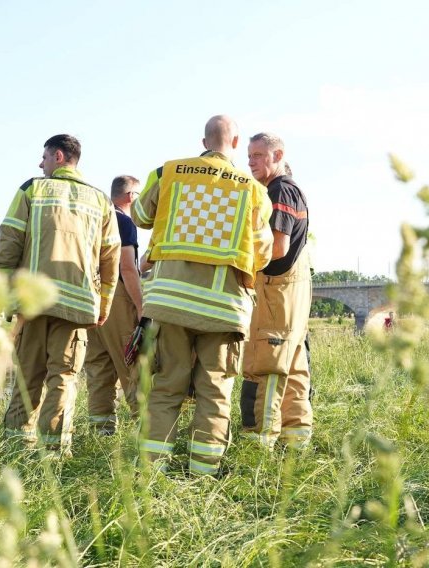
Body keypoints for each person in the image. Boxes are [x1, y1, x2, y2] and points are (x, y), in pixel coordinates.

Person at [131, 115, 273, 475]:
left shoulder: (169, 172)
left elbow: (140, 215)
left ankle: (153, 472)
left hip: (170, 302)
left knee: (165, 388)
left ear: (204, 141)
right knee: (215, 391)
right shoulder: (253, 190)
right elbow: (263, 251)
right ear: (236, 143)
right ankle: (203, 475)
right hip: (223, 308)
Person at [0, 134, 120, 453]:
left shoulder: (32, 189)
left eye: (45, 157)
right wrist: (103, 305)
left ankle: (16, 449)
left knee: (27, 377)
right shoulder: (101, 201)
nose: (41, 163)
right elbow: (110, 259)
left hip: (32, 304)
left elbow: (8, 244)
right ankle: (55, 453)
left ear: (59, 157)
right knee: (63, 378)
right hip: (77, 307)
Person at [240, 132, 313, 450]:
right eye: (249, 154)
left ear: (277, 154)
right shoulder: (291, 189)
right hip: (292, 293)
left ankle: (260, 443)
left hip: (274, 292)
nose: (250, 160)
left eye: (258, 155)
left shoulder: (278, 190)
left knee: (264, 365)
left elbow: (279, 247)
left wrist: (241, 262)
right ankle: (295, 441)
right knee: (294, 366)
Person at [84, 175, 144, 434]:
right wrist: (142, 308)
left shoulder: (94, 217)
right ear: (131, 196)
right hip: (117, 296)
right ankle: (145, 431)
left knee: (98, 370)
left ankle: (101, 432)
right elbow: (128, 268)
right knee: (131, 366)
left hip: (89, 297)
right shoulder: (124, 221)